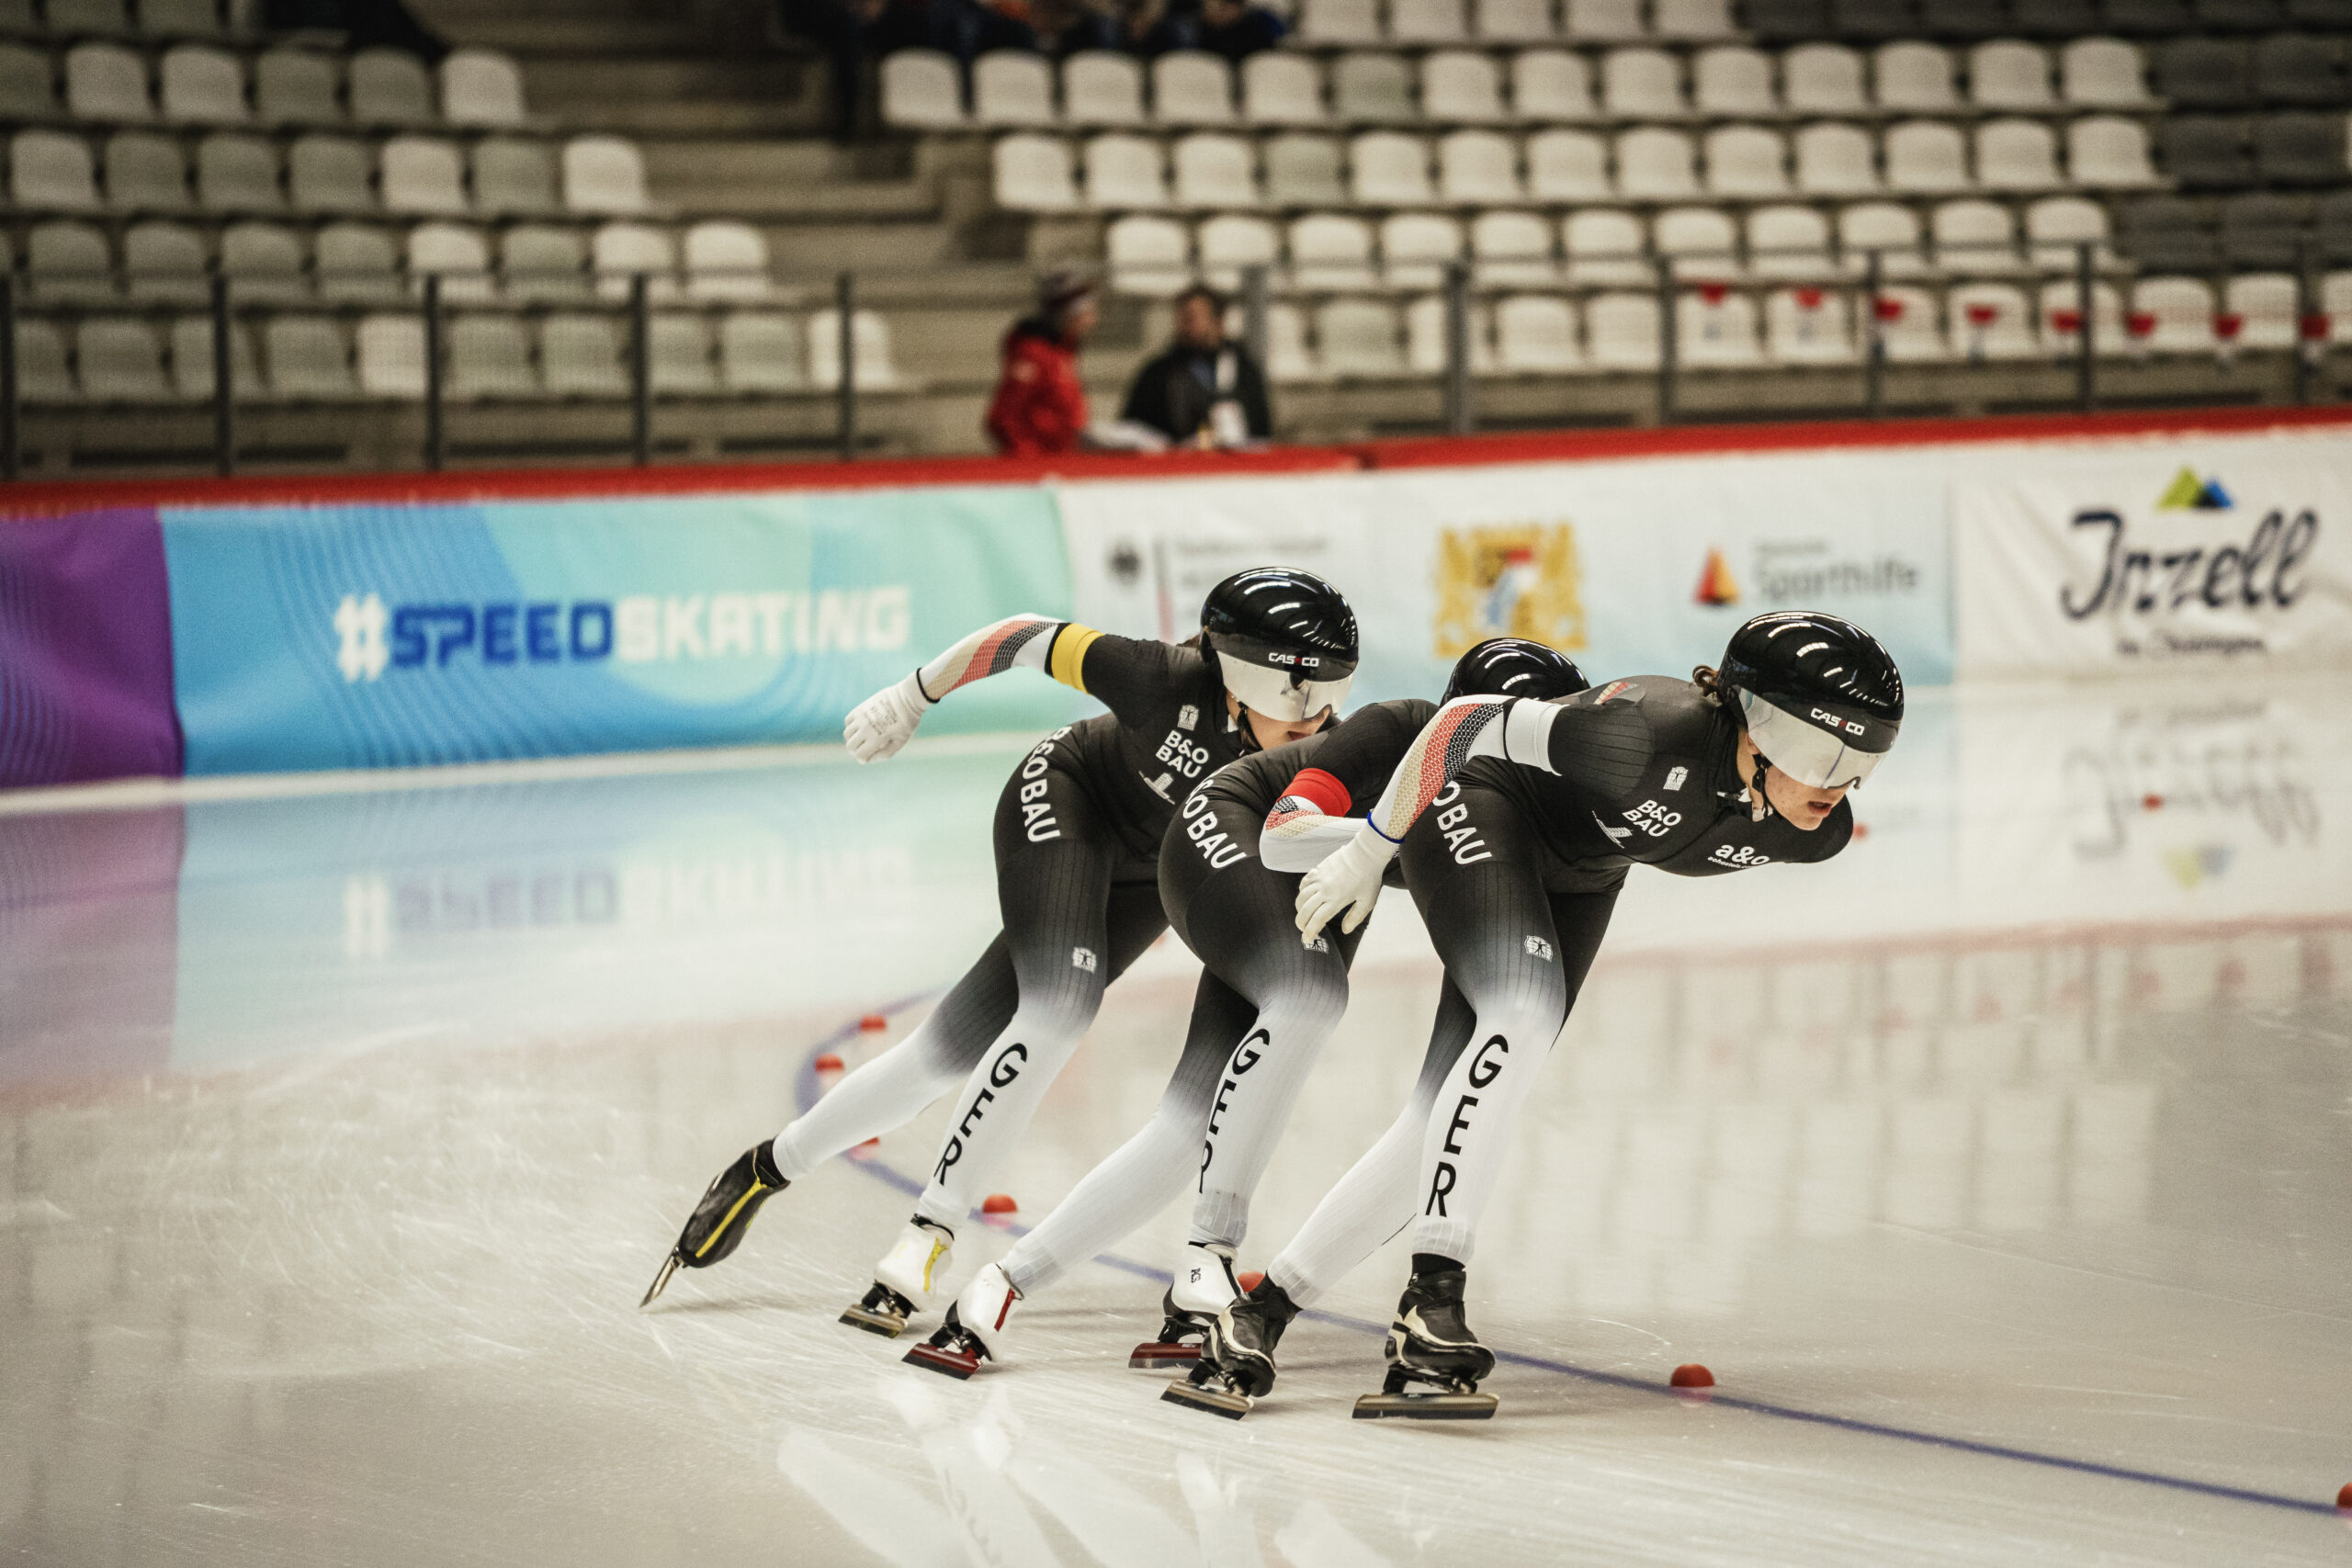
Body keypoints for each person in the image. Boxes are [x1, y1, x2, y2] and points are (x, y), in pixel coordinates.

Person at [1171, 612, 1905, 1419]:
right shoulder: (1638, 735)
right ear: (1752, 721)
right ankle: (1432, 1297)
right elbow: (1462, 720)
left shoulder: (1813, 831)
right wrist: (1370, 848)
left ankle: (1260, 1314)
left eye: (1865, 757)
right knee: (1522, 1009)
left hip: (1583, 874)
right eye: (1822, 751)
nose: (1840, 781)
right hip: (1480, 802)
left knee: (1447, 1112)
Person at [641, 570, 1362, 1339]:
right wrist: (914, 695)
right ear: (1246, 676)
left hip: (1150, 873)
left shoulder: (1317, 748)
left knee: (940, 1054)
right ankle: (928, 1234)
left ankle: (765, 1166)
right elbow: (1020, 635)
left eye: (1332, 696)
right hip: (1067, 800)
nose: (1319, 719)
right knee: (1057, 1010)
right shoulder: (1159, 677)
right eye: (1303, 698)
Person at [899, 639, 1589, 1379]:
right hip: (1235, 832)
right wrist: (1383, 842)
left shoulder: (1514, 810)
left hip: (1323, 889)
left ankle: (999, 1285)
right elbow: (1285, 831)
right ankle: (1209, 1251)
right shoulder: (1395, 730)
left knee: (1185, 1129)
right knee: (1310, 996)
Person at [1119, 286, 1274, 450]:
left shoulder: (1244, 371)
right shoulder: (1159, 373)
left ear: (1218, 321)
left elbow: (1262, 430)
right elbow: (1132, 430)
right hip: (1177, 466)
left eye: (1192, 318)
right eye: (1181, 318)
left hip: (1236, 466)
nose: (1184, 326)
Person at [985, 272, 1101, 457]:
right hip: (1038, 464)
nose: (1092, 320)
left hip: (1061, 459)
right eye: (1086, 313)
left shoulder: (1063, 351)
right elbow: (1004, 417)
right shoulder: (1033, 353)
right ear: (1067, 314)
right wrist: (1029, 460)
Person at [1191, 0, 1286, 61]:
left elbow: (1282, 42)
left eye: (1222, 8)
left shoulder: (1261, 22)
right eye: (1207, 8)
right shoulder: (1200, 30)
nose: (1212, 12)